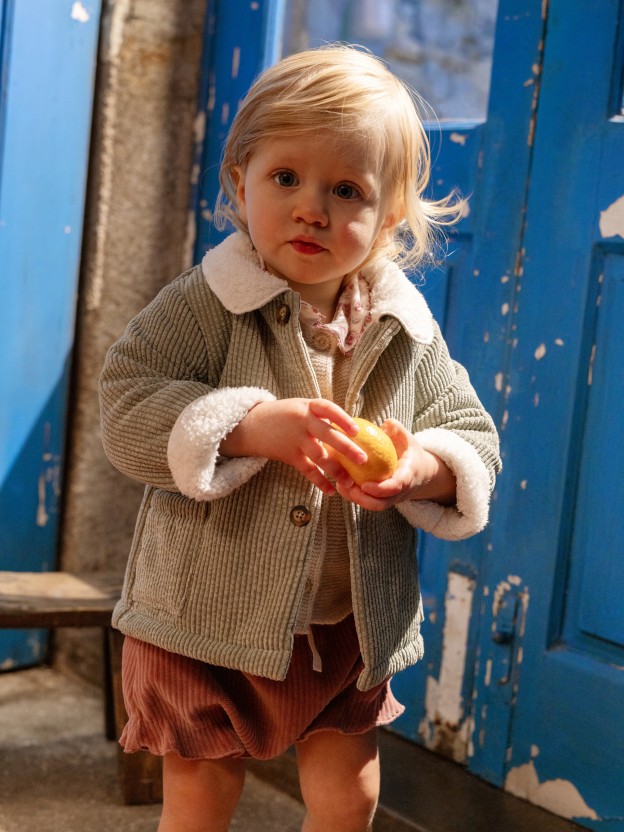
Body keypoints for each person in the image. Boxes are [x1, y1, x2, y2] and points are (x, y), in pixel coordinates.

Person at [99, 44, 501, 832]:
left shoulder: (404, 330)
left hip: (344, 626)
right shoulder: (206, 306)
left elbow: (471, 437)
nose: (312, 207)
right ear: (239, 179)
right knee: (202, 791)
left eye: (345, 190)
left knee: (350, 794)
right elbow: (126, 405)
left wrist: (421, 467)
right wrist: (248, 425)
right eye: (287, 178)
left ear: (387, 220)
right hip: (205, 612)